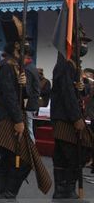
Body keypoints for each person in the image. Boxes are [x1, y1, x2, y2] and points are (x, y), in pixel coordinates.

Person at [0, 16, 51, 201]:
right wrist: (19, 121)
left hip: (14, 118)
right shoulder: (5, 66)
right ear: (17, 46)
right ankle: (6, 195)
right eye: (24, 42)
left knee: (14, 160)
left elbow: (21, 95)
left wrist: (24, 85)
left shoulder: (16, 67)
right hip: (7, 120)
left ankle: (5, 195)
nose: (27, 44)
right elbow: (10, 97)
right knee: (15, 159)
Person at [50, 25, 94, 200]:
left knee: (65, 154)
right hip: (65, 117)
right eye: (81, 42)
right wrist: (76, 117)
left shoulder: (74, 65)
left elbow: (75, 91)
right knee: (77, 151)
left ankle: (63, 190)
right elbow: (66, 92)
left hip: (66, 115)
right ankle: (65, 189)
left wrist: (82, 89)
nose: (84, 45)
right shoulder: (66, 64)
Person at [23, 46, 40, 142]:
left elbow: (27, 89)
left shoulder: (27, 69)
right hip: (33, 102)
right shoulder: (32, 67)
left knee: (29, 129)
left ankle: (31, 151)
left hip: (28, 103)